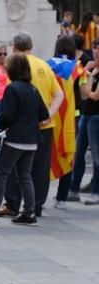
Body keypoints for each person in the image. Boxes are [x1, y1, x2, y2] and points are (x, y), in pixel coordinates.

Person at [0, 53, 49, 226]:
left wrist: (0, 128)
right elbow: (44, 114)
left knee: (1, 174)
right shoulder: (33, 89)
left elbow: (7, 116)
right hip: (32, 140)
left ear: (13, 69)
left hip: (15, 139)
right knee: (25, 176)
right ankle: (29, 213)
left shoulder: (12, 88)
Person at [0, 33, 63, 218]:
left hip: (21, 128)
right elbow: (59, 95)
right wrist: (48, 115)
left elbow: (13, 96)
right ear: (31, 46)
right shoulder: (45, 65)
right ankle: (35, 206)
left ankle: (12, 203)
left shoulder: (16, 65)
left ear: (14, 47)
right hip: (44, 126)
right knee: (40, 169)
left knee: (13, 167)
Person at [48, 36, 79, 206]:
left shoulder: (48, 65)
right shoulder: (77, 68)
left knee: (46, 156)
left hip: (51, 116)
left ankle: (39, 197)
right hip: (70, 119)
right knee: (68, 154)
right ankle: (61, 197)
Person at [63, 57, 99, 205]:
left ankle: (96, 192)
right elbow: (85, 95)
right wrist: (88, 76)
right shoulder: (94, 70)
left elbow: (96, 96)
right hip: (86, 114)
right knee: (78, 153)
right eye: (96, 50)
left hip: (96, 117)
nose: (96, 54)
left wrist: (88, 80)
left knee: (96, 157)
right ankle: (73, 189)